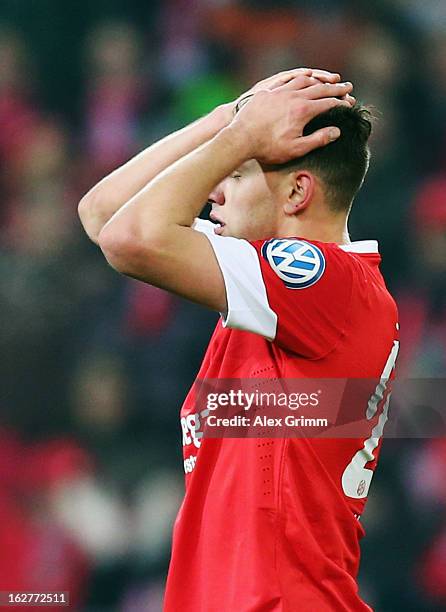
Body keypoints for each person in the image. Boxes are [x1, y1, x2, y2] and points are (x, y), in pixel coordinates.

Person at [78, 68, 399, 611]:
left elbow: (130, 240)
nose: (212, 190)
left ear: (298, 191)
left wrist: (241, 135)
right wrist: (230, 119)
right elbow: (105, 215)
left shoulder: (325, 281)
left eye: (238, 172)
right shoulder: (272, 287)